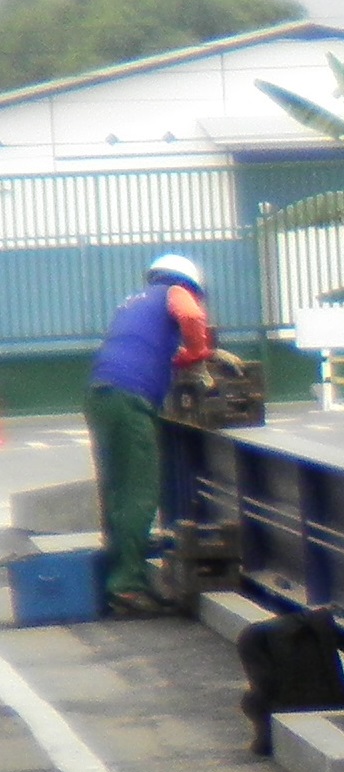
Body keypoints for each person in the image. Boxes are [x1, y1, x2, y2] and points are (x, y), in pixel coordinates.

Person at [87, 252, 213, 616]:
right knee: (139, 492)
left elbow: (143, 349)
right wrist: (197, 350)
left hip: (101, 393)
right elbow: (191, 317)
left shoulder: (134, 303)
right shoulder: (175, 291)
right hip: (129, 400)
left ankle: (118, 581)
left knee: (116, 490)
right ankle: (128, 587)